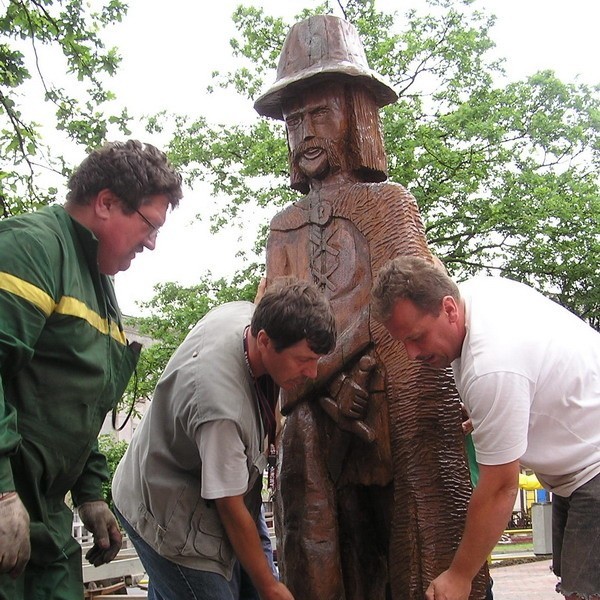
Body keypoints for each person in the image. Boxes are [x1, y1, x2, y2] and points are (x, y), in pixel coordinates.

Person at [254, 14, 482, 599]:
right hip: (312, 418)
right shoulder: (283, 225)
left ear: (356, 113)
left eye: (320, 112)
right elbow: (270, 326)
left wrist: (328, 368)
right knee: (326, 545)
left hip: (384, 414)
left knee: (400, 541)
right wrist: (308, 390)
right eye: (295, 117)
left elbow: (401, 309)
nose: (305, 130)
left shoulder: (387, 204)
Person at [0, 139, 183, 600]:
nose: (152, 243)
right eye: (149, 225)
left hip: (46, 521)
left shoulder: (101, 284)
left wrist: (89, 492)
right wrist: (2, 493)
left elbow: (82, 405)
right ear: (105, 203)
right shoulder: (31, 248)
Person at [371, 254, 600, 600]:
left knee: (584, 593)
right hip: (577, 463)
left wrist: (460, 575)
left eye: (417, 338)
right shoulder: (477, 297)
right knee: (574, 582)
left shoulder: (491, 365)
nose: (411, 353)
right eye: (402, 341)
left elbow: (500, 488)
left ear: (448, 309)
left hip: (593, 468)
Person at [111, 277, 337, 600]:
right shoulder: (219, 407)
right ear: (264, 341)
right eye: (304, 360)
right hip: (165, 510)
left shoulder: (253, 317)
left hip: (221, 484)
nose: (312, 373)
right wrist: (271, 586)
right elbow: (230, 508)